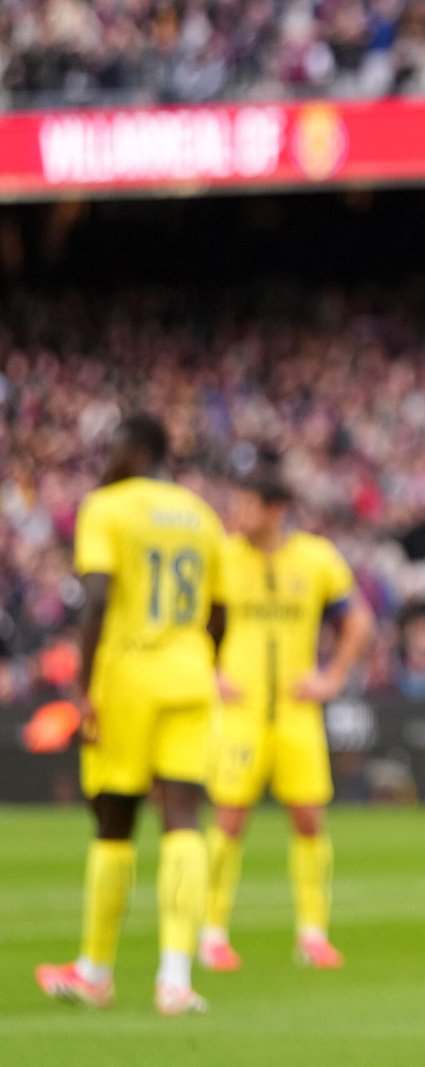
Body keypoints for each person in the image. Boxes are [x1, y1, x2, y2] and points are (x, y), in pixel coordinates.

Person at [36, 413, 227, 1016]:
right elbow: (220, 611)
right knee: (183, 818)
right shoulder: (201, 514)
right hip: (190, 676)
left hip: (127, 678)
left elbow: (96, 596)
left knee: (114, 820)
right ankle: (175, 979)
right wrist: (199, 658)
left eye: (116, 447)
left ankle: (95, 971)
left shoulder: (108, 507)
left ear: (141, 450)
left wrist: (83, 683)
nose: (108, 457)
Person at [199, 468, 374, 972]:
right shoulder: (223, 556)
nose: (238, 514)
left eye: (248, 506)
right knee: (229, 818)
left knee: (309, 819)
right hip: (242, 709)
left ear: (276, 510)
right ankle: (211, 933)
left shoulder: (316, 558)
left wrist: (332, 677)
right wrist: (210, 671)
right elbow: (193, 620)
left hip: (298, 710)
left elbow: (357, 620)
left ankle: (313, 934)